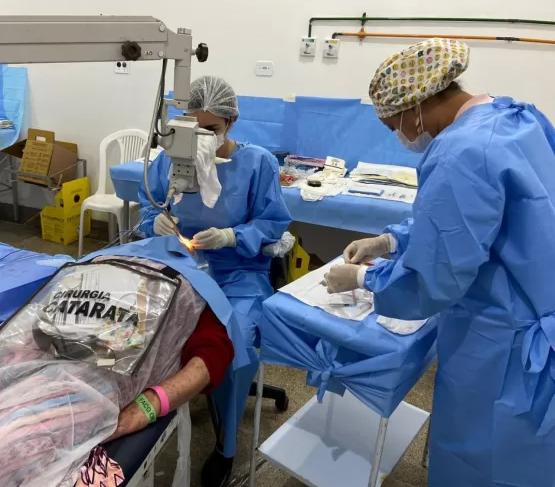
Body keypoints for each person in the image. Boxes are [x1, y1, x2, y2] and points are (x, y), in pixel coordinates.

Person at [324, 37, 555, 487]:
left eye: (395, 125)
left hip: (503, 345)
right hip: (536, 308)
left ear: (417, 107)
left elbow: (434, 278)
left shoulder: (459, 153)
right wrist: (391, 240)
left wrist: (365, 281)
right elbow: (478, 221)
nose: (399, 135)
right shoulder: (515, 118)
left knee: (484, 462)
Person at [138, 75, 291, 486]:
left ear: (232, 122)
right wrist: (157, 224)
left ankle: (226, 446)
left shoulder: (257, 163)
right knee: (142, 330)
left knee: (235, 343)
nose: (200, 141)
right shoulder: (169, 160)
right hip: (182, 267)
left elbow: (273, 222)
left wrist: (234, 236)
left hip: (238, 274)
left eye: (211, 130)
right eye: (192, 130)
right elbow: (146, 212)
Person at [0, 237, 236, 487]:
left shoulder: (194, 288)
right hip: (39, 353)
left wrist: (149, 405)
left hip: (95, 382)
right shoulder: (103, 261)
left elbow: (210, 359)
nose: (180, 244)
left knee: (17, 443)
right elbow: (43, 313)